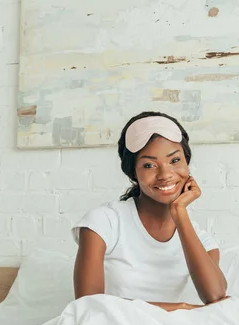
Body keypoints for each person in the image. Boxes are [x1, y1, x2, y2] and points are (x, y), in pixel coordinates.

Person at [72, 111, 228, 311]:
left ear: (186, 162)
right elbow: (88, 306)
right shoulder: (104, 222)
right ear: (133, 172)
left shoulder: (202, 241)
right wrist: (178, 308)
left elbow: (214, 296)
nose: (165, 174)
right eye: (149, 165)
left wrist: (180, 212)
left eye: (174, 161)